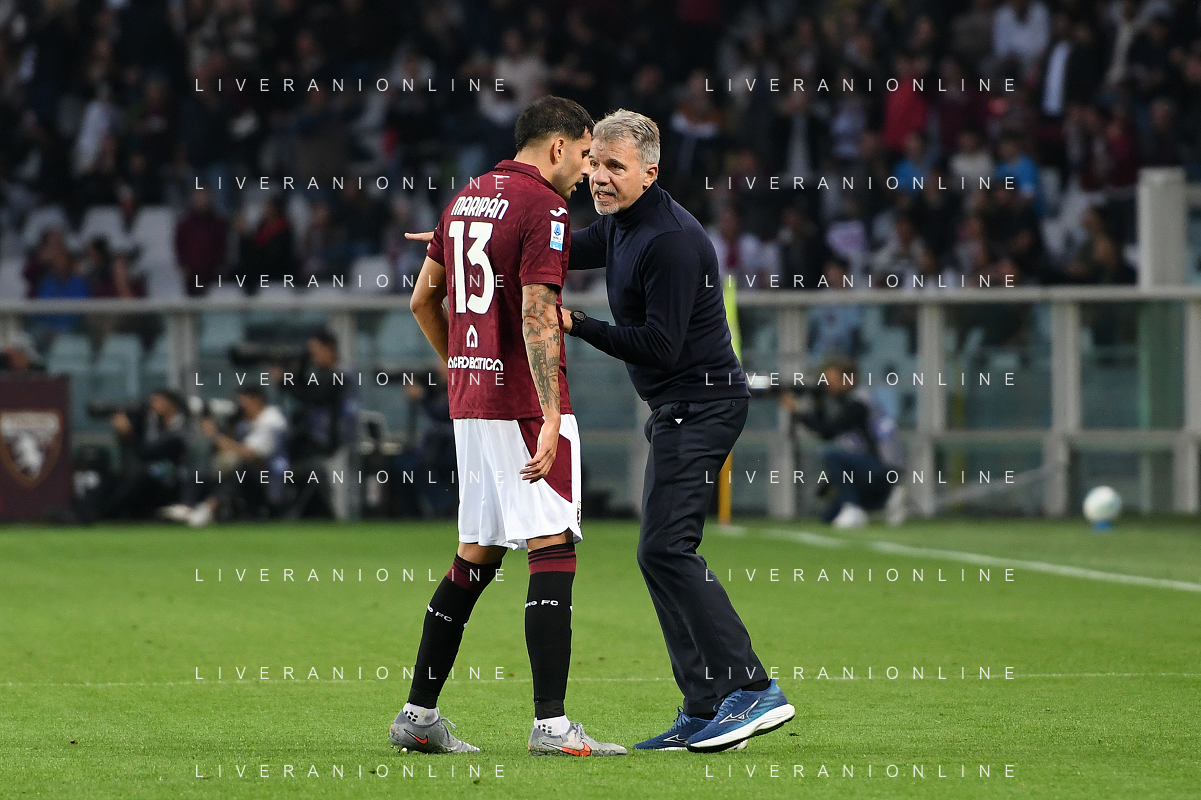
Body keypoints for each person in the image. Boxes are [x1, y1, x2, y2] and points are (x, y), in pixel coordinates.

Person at [393, 96, 624, 757]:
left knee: (477, 554)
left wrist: (461, 368)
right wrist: (550, 413)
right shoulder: (543, 206)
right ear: (558, 147)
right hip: (523, 402)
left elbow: (422, 299)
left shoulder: (467, 197)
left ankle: (418, 715)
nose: (586, 173)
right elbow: (536, 312)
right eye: (586, 156)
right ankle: (551, 726)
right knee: (553, 546)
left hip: (472, 403)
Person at [559, 109, 794, 753]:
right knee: (658, 552)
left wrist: (576, 325)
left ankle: (751, 688)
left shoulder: (669, 239)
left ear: (650, 172)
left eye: (615, 166)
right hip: (681, 406)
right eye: (594, 163)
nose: (599, 177)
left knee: (667, 549)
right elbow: (561, 248)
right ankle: (706, 703)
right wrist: (468, 238)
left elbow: (660, 345)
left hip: (703, 403)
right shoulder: (622, 223)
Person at [780, 356, 906, 528]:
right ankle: (886, 501)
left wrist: (797, 411)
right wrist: (817, 403)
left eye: (832, 381)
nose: (828, 386)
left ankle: (856, 506)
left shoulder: (859, 404)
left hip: (882, 468)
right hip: (875, 469)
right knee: (829, 518)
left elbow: (827, 431)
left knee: (830, 455)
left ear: (849, 379)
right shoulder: (860, 399)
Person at [162, 385, 288, 527]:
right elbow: (228, 445)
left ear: (256, 400)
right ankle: (187, 505)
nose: (240, 406)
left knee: (238, 467)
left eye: (243, 402)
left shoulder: (272, 421)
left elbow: (251, 454)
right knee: (202, 458)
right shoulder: (244, 421)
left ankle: (208, 508)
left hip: (269, 475)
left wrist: (214, 435)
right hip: (244, 472)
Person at [98, 390, 189, 521]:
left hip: (171, 482)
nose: (153, 405)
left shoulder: (182, 428)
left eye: (158, 401)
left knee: (137, 480)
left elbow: (149, 453)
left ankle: (106, 515)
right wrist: (123, 433)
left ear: (171, 404)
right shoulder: (151, 424)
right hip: (148, 477)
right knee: (112, 479)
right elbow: (133, 450)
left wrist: (129, 434)